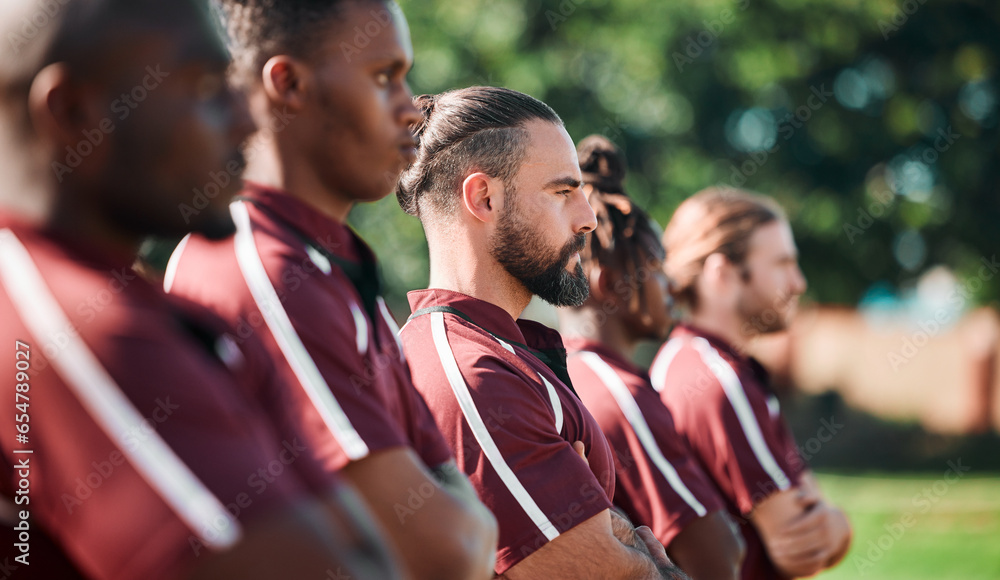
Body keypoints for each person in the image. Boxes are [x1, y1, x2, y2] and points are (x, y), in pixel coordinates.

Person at [0, 1, 402, 578]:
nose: (248, 118)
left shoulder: (164, 315)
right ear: (73, 113)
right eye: (208, 86)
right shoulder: (69, 325)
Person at [164, 2, 498, 579]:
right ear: (288, 83)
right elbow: (445, 549)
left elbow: (458, 521)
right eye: (383, 77)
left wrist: (460, 518)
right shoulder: (265, 271)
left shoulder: (319, 263)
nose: (411, 109)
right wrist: (459, 518)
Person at [395, 86, 688, 580]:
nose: (588, 218)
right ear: (483, 198)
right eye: (562, 192)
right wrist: (636, 553)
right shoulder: (473, 377)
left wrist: (614, 539)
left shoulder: (500, 353)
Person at [558, 135, 746, 580]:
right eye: (657, 268)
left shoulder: (563, 372)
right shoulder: (622, 396)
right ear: (609, 284)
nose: (672, 285)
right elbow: (718, 556)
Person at [650, 187, 852, 578]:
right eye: (782, 264)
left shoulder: (677, 359)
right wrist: (840, 524)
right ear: (721, 274)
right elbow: (803, 548)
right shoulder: (719, 381)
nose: (798, 283)